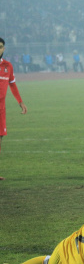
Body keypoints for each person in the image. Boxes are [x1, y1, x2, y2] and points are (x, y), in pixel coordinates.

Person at [0, 38, 27, 181]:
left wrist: (20, 102)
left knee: (0, 139)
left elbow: (12, 84)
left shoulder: (8, 66)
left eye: (0, 46)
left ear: (4, 49)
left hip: (1, 109)